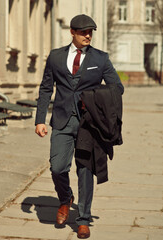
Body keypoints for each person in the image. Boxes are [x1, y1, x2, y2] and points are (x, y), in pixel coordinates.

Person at [34, 14, 124, 239]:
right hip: (62, 120)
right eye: (83, 31)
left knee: (85, 171)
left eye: (90, 31)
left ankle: (83, 220)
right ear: (72, 32)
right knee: (57, 167)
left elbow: (117, 88)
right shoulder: (55, 57)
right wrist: (39, 120)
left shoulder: (101, 59)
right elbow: (46, 89)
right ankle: (65, 199)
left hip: (88, 124)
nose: (88, 35)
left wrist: (92, 97)